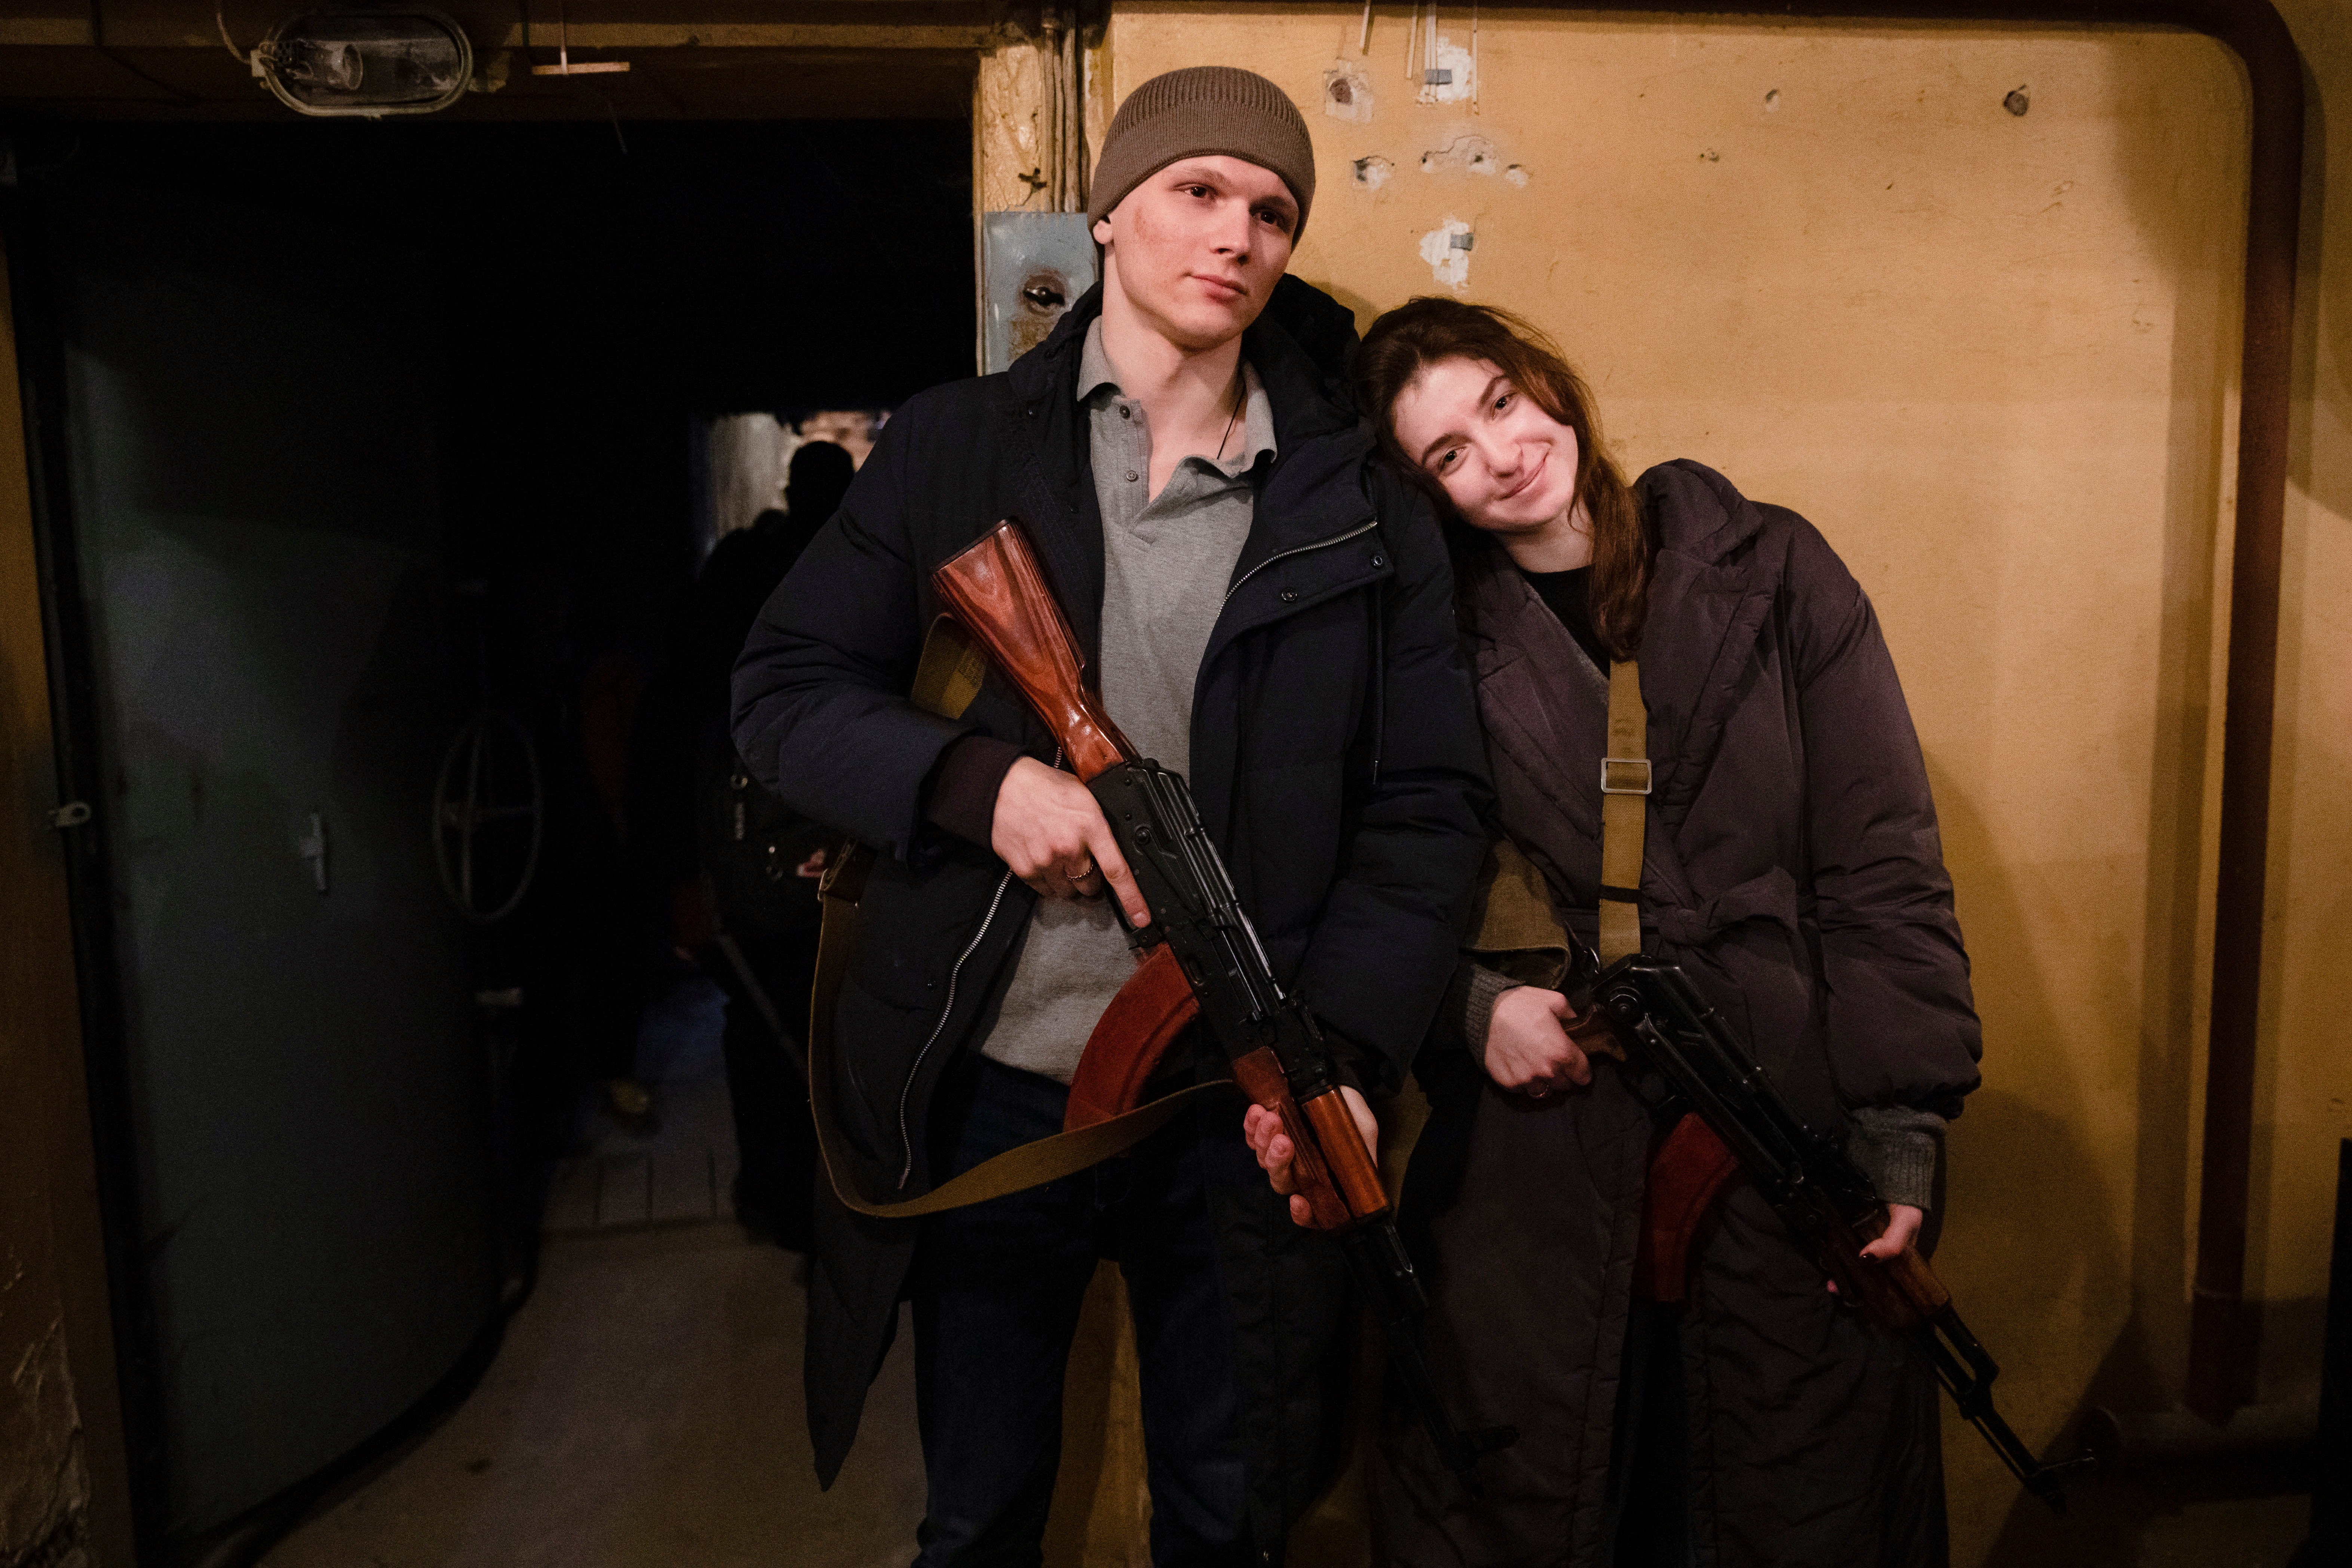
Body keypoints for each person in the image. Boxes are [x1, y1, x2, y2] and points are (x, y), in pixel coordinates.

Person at [730, 70, 1489, 1566]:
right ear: (1109, 212)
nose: (1237, 235)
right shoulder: (957, 446)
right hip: (997, 1076)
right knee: (983, 1495)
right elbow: (782, 687)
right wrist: (977, 784)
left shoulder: (1358, 502)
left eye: (1271, 211)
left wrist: (1335, 1054)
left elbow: (1427, 805)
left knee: (1233, 1500)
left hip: (1239, 1098)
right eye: (1199, 191)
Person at [1249, 296, 1983, 1566]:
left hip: (1779, 1111)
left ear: (1545, 380)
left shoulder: (1771, 567)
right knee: (1555, 1486)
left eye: (1498, 401)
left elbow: (1877, 860)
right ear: (1425, 494)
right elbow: (1355, 881)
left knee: (1785, 1486)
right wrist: (1468, 1009)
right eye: (1449, 455)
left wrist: (1902, 1132)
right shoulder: (1422, 637)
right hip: (1541, 1150)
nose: (1502, 451)